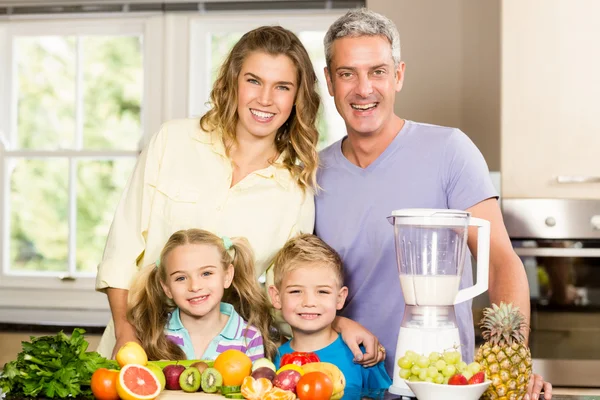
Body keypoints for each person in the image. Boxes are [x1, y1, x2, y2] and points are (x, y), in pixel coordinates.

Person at [314, 8, 553, 399]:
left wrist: (514, 361)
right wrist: (339, 323)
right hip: (342, 383)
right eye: (347, 74)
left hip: (441, 386)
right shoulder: (315, 172)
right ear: (329, 81)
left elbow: (498, 261)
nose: (363, 89)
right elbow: (301, 284)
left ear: (399, 75)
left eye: (377, 71)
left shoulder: (449, 150)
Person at [95, 25, 320, 358]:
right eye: (254, 80)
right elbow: (122, 247)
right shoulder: (173, 140)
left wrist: (338, 324)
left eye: (282, 87)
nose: (265, 99)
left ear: (297, 97)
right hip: (135, 343)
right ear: (233, 80)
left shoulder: (296, 191)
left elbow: (286, 294)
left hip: (226, 361)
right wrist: (126, 333)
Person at [127, 228, 275, 360]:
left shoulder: (248, 337)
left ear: (227, 276)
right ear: (166, 287)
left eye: (206, 273)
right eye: (181, 278)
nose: (195, 286)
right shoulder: (155, 333)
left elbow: (254, 387)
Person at [268, 234, 391, 391]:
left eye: (322, 292)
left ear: (340, 298)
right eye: (296, 291)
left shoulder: (362, 355)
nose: (309, 302)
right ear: (277, 297)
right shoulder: (272, 361)